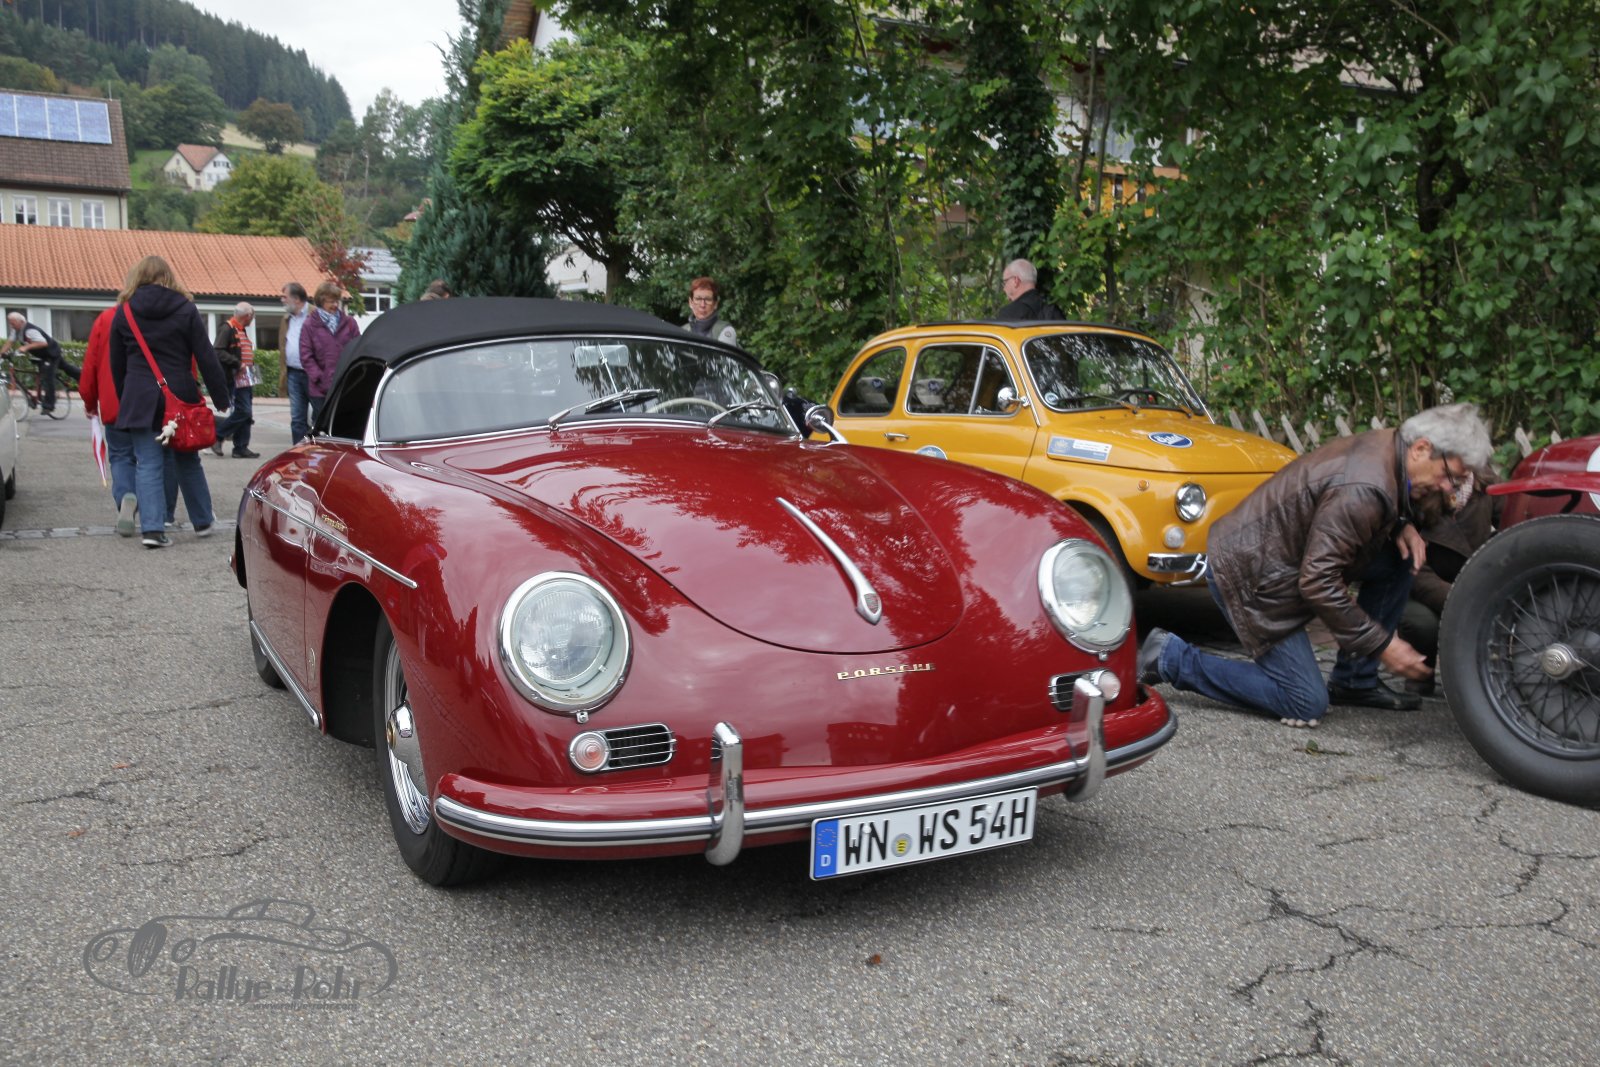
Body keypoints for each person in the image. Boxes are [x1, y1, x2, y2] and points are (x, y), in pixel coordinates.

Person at [1137, 403, 1494, 728]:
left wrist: (1402, 525)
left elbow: (1355, 510)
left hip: (1282, 561)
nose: (1449, 487)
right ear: (1422, 448)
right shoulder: (1365, 487)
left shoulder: (1393, 446)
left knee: (1399, 558)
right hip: (1253, 576)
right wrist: (1383, 644)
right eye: (1449, 475)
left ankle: (1355, 681)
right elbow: (1319, 581)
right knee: (1305, 701)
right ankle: (1171, 658)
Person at [107, 255, 231, 549]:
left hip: (139, 395)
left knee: (147, 463)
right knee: (188, 459)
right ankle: (202, 521)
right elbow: (205, 355)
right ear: (168, 277)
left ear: (137, 277)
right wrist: (221, 397)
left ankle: (152, 530)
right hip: (179, 393)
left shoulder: (124, 312)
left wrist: (126, 396)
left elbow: (117, 362)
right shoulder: (185, 308)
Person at [1396, 466, 1498, 695]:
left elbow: (1513, 526)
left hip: (1474, 583)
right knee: (1422, 624)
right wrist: (1459, 598)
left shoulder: (1486, 483)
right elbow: (1414, 568)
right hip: (1423, 588)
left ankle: (1480, 681)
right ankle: (1420, 673)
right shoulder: (1421, 484)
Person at [76, 306, 142, 535]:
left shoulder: (106, 318)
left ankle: (126, 496)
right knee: (151, 459)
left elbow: (91, 364)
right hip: (152, 402)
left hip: (116, 403)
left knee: (121, 456)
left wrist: (90, 402)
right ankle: (157, 515)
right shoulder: (161, 312)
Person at [299, 280, 360, 430]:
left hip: (345, 385)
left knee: (346, 425)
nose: (335, 305)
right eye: (331, 301)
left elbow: (358, 349)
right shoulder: (309, 325)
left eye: (336, 301)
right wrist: (319, 377)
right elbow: (306, 355)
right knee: (322, 426)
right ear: (321, 301)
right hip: (320, 389)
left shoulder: (350, 323)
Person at [211, 302, 261, 459]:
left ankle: (240, 447)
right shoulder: (228, 328)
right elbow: (218, 351)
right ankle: (218, 435)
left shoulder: (240, 329)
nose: (252, 319)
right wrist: (238, 363)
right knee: (243, 411)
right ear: (248, 316)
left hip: (246, 376)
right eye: (252, 316)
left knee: (247, 413)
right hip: (237, 376)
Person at [2, 311, 79, 413]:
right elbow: (9, 342)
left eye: (13, 323)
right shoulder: (16, 330)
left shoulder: (30, 330)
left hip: (51, 353)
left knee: (48, 376)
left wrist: (26, 347)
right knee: (65, 367)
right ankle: (82, 375)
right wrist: (1, 354)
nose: (11, 326)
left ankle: (48, 406)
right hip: (42, 355)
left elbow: (43, 343)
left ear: (21, 322)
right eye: (10, 323)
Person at [280, 282, 312, 444]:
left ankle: (318, 452)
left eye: (285, 297)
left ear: (297, 299)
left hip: (313, 373)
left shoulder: (315, 315)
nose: (282, 300)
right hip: (293, 373)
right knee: (297, 418)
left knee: (319, 415)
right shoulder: (286, 319)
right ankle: (299, 453)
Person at [994, 259, 1064, 321]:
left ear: (1016, 281)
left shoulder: (1009, 314)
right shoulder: (1053, 310)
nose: (1004, 289)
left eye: (1005, 282)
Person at [684, 277, 737, 345]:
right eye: (698, 299)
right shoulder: (683, 330)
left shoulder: (725, 331)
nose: (702, 305)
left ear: (715, 304)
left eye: (708, 299)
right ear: (690, 302)